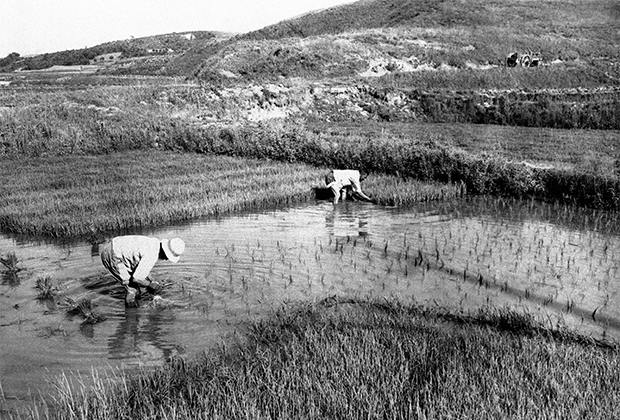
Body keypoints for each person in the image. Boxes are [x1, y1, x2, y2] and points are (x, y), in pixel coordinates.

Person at [100, 235, 185, 307]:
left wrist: (152, 280)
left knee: (136, 289)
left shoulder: (154, 244)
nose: (166, 259)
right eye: (167, 257)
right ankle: (130, 320)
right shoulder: (152, 254)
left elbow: (142, 268)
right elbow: (136, 279)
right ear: (166, 253)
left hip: (115, 248)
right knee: (132, 289)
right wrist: (151, 285)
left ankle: (136, 310)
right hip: (113, 255)